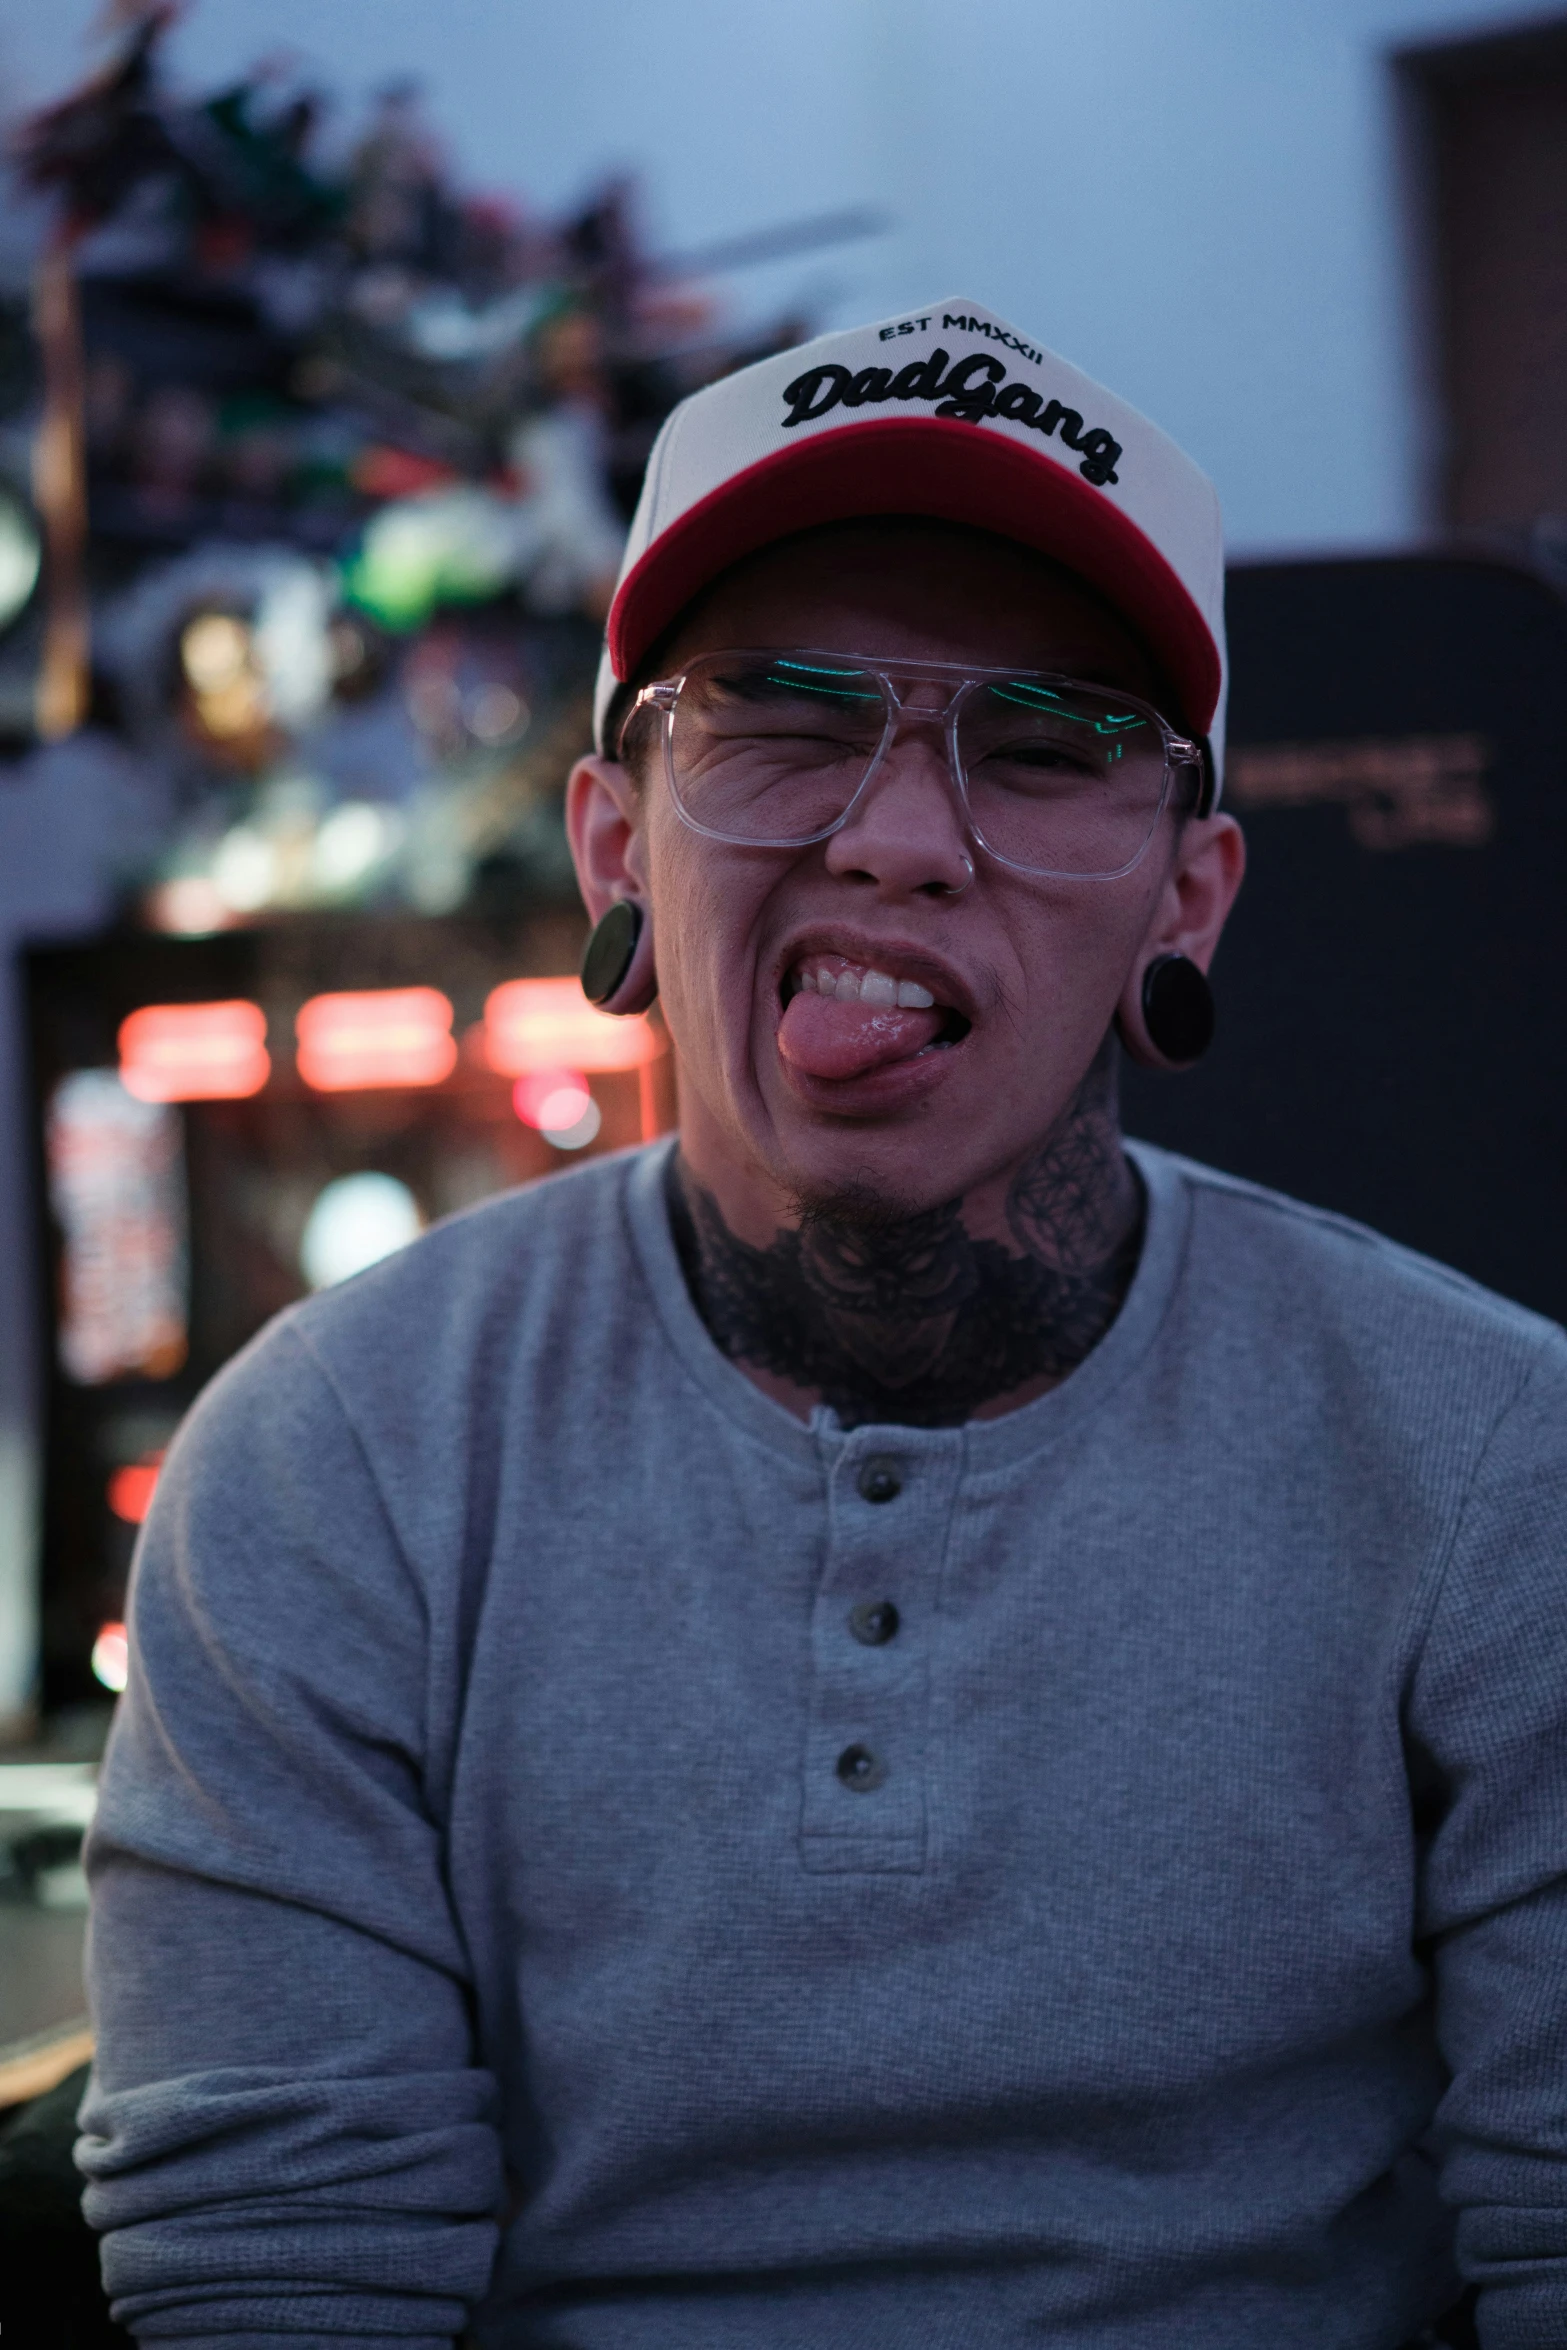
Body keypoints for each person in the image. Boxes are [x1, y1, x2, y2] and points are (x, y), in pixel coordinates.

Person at [77, 301, 1567, 2349]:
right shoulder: (336, 1469)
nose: (894, 833)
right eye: (782, 718)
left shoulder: (1494, 1466)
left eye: (1044, 744)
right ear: (617, 838)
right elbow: (277, 2282)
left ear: (1190, 894)